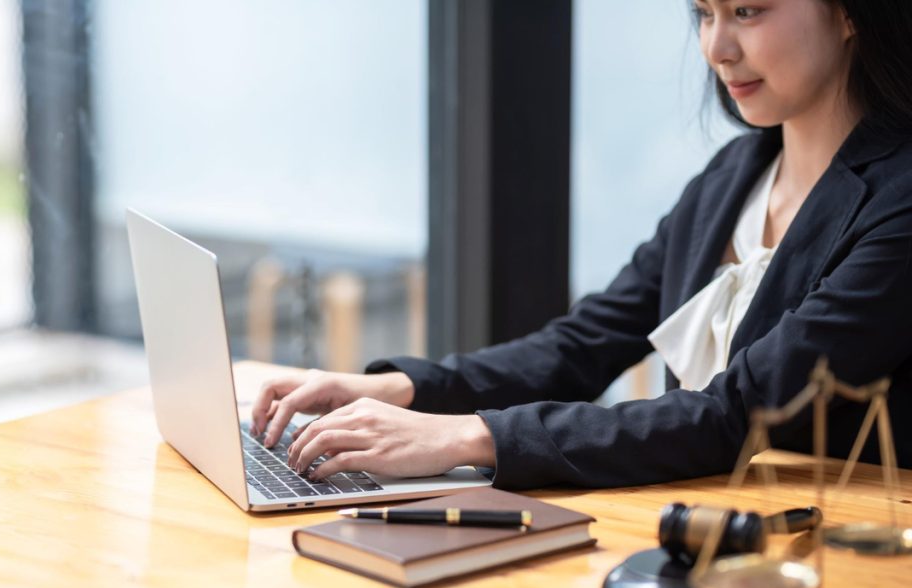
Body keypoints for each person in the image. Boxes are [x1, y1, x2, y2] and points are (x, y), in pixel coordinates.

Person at [251, 0, 912, 490]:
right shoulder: (731, 178)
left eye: (746, 11)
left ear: (850, 12)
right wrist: (399, 389)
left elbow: (737, 414)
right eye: (703, 13)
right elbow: (582, 346)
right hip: (695, 534)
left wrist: (469, 435)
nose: (716, 47)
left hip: (832, 567)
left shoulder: (900, 200)